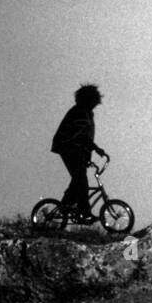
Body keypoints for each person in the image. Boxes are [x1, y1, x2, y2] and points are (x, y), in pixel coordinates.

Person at [50, 83, 109, 221]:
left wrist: (89, 151)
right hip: (68, 147)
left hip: (76, 149)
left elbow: (84, 138)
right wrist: (95, 148)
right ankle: (84, 211)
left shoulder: (87, 113)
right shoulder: (80, 112)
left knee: (78, 178)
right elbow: (80, 136)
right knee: (81, 179)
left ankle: (65, 206)